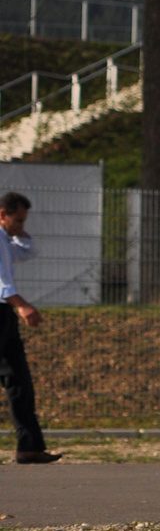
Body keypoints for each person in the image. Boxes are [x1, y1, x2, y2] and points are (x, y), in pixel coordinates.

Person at [0, 192, 59, 464]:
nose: (21, 226)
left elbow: (29, 251)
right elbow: (2, 283)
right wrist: (22, 305)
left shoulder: (5, 239)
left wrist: (19, 232)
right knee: (16, 377)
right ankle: (29, 445)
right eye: (18, 220)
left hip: (5, 314)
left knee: (19, 379)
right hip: (4, 308)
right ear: (2, 214)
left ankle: (29, 446)